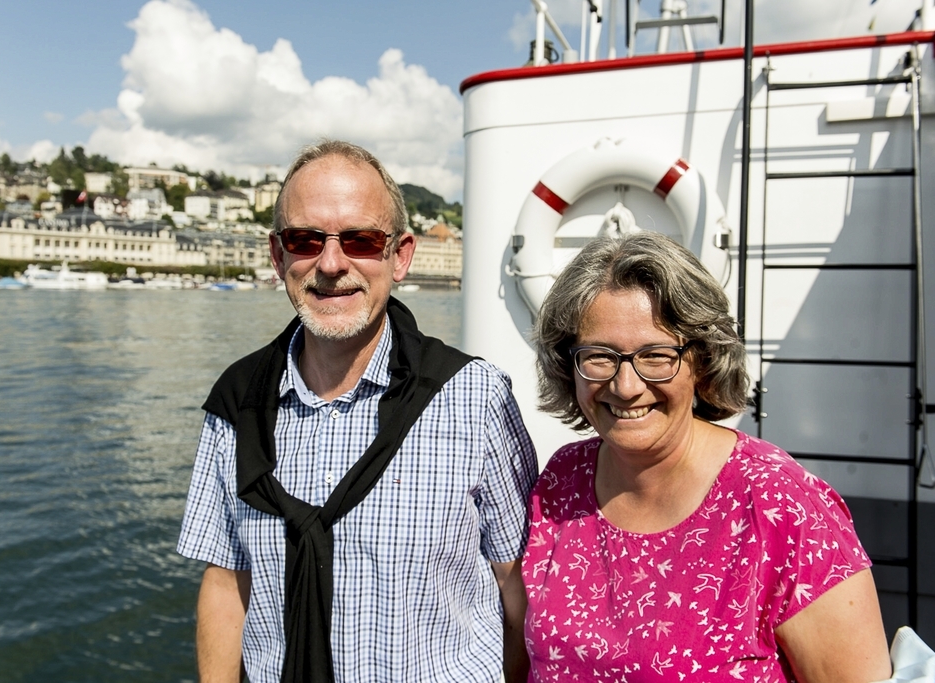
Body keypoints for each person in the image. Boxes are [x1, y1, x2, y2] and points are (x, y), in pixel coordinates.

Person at [177, 140, 537, 683]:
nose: (330, 263)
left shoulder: (475, 396)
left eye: (361, 239)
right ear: (278, 256)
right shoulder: (237, 402)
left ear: (400, 255)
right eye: (305, 239)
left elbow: (516, 584)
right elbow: (227, 584)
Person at [518, 231, 891, 682]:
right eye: (599, 356)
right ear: (567, 363)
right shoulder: (562, 480)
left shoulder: (780, 504)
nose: (625, 386)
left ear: (703, 361)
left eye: (656, 356)